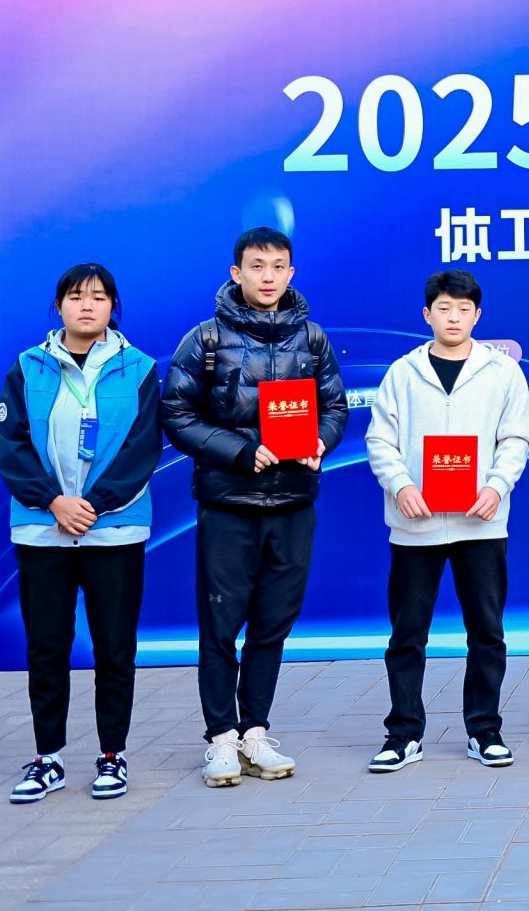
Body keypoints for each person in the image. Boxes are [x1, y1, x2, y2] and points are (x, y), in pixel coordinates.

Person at [163, 226, 347, 787]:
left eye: (278, 267)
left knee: (273, 623)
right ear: (236, 272)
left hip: (293, 500)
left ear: (291, 273)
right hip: (229, 502)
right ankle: (220, 739)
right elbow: (177, 414)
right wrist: (241, 451)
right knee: (221, 624)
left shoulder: (311, 338)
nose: (268, 277)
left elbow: (335, 407)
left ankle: (255, 733)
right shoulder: (205, 339)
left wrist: (321, 441)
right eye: (257, 266)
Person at [0, 264, 162, 804]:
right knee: (47, 647)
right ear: (59, 306)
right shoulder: (28, 367)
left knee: (114, 647)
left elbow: (143, 448)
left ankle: (113, 755)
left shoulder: (139, 369)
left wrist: (94, 506)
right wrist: (54, 501)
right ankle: (48, 758)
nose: (86, 305)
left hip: (114, 530)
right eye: (75, 296)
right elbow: (12, 444)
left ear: (113, 306)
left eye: (98, 297)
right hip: (43, 529)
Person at [363, 270, 529, 772]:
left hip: (480, 522)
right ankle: (403, 734)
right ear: (427, 315)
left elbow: (516, 437)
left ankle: (484, 730)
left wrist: (496, 487)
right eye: (443, 308)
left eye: (463, 309)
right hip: (415, 524)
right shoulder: (403, 372)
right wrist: (402, 485)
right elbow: (379, 439)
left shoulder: (502, 372)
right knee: (407, 633)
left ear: (477, 315)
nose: (453, 317)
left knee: (486, 631)